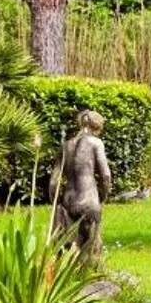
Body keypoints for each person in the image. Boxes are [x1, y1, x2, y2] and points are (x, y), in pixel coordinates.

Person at [51, 109, 112, 261]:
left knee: (71, 247)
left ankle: (71, 278)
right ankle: (92, 278)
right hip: (88, 199)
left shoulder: (66, 145)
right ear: (97, 126)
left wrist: (57, 201)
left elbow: (53, 182)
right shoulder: (96, 143)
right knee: (92, 247)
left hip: (68, 200)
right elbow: (105, 175)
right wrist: (103, 196)